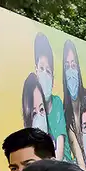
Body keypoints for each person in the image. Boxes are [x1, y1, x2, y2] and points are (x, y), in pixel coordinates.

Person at [33, 33, 67, 161]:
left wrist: (53, 170)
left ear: (53, 78)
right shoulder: (31, 103)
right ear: (36, 70)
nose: (44, 74)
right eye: (41, 68)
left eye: (48, 71)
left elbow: (60, 144)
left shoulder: (56, 102)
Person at [62, 40, 86, 167]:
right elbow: (77, 154)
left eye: (74, 65)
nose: (71, 71)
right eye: (67, 66)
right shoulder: (65, 113)